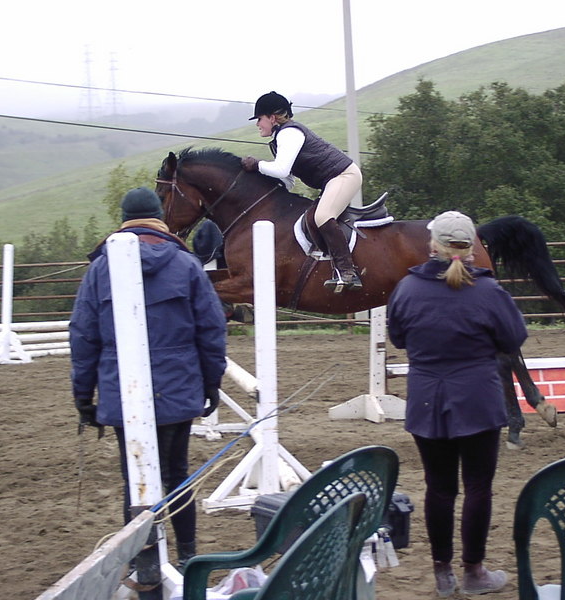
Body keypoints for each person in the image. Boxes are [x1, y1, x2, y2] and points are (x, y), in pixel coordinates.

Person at [69, 187, 227, 570]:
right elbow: (211, 329)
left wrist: (83, 397)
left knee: (136, 478)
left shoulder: (99, 270)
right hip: (178, 385)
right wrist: (211, 382)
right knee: (177, 473)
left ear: (124, 220)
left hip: (122, 390)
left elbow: (83, 336)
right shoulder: (186, 264)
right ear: (159, 217)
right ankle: (188, 554)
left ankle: (146, 563)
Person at [386, 210, 527, 597]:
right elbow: (513, 338)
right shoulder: (489, 291)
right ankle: (474, 572)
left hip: (426, 398)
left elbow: (398, 338)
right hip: (478, 396)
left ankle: (442, 572)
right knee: (479, 487)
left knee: (438, 488)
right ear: (470, 248)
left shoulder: (407, 289)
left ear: (433, 245)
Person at [241, 91, 363, 290]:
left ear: (272, 118)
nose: (257, 124)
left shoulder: (289, 133)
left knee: (322, 216)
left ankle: (348, 272)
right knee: (312, 217)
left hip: (344, 175)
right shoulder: (280, 137)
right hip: (332, 180)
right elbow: (288, 180)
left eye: (259, 119)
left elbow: (281, 169)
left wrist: (257, 164)